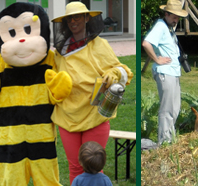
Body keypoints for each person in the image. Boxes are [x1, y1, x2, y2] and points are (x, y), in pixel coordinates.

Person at [51, 2, 133, 183]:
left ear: (87, 18)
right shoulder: (60, 51)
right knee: (74, 167)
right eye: (69, 18)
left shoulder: (99, 45)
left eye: (77, 17)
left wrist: (113, 73)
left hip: (95, 115)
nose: (73, 21)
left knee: (95, 168)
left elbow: (123, 71)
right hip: (68, 117)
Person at [142, 0, 188, 145]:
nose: (176, 20)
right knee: (167, 109)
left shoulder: (168, 27)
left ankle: (170, 138)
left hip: (173, 72)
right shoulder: (161, 26)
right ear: (166, 13)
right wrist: (156, 59)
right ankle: (164, 142)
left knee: (175, 107)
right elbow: (146, 43)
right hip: (164, 72)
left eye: (178, 17)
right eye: (174, 17)